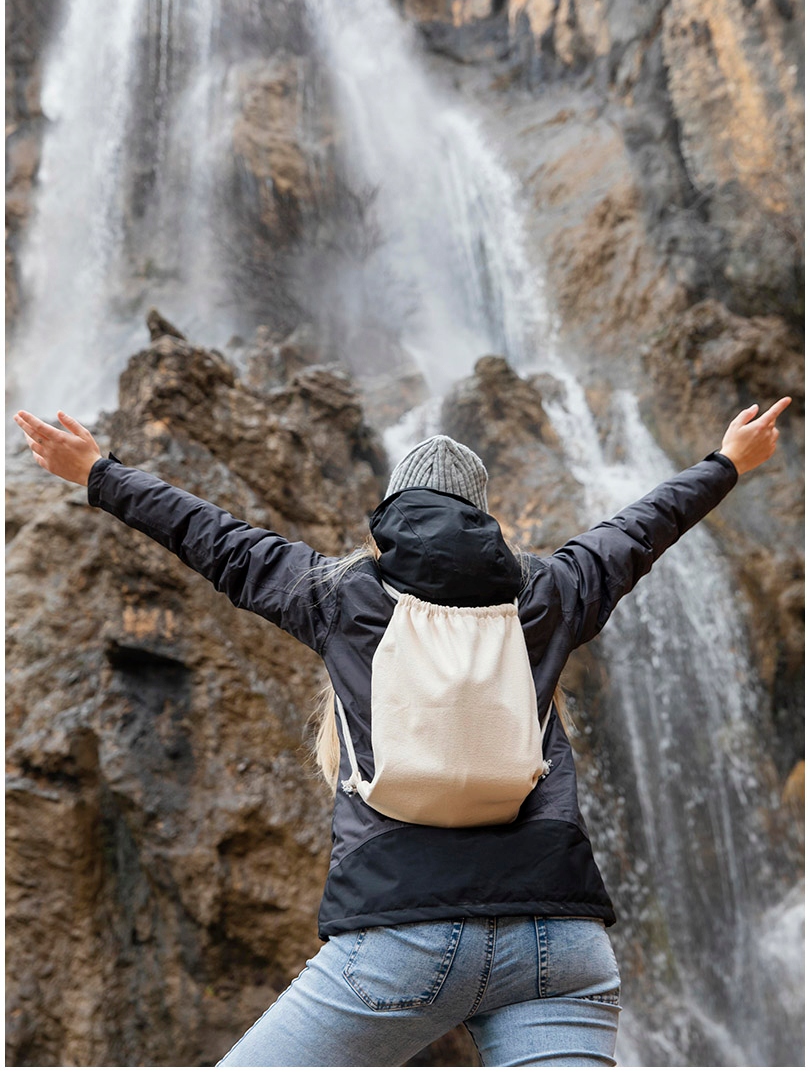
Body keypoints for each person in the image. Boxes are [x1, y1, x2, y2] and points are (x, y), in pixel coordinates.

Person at [13, 396, 791, 1068]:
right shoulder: (554, 588)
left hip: (400, 932)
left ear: (391, 517)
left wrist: (98, 473)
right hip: (559, 941)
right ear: (484, 518)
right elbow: (641, 528)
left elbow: (216, 539)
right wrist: (727, 461)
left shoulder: (342, 596)